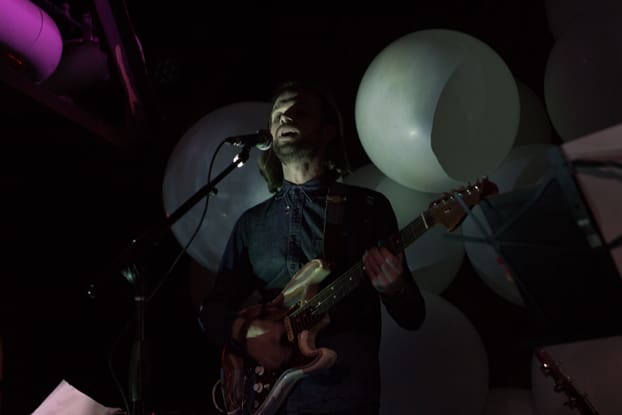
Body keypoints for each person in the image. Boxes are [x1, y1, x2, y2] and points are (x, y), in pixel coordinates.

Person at [199, 81, 425, 415]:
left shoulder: (367, 208)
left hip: (344, 398)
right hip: (268, 401)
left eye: (299, 112)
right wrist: (246, 332)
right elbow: (212, 312)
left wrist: (395, 289)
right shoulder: (252, 224)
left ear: (327, 131)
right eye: (277, 114)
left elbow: (413, 316)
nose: (285, 118)